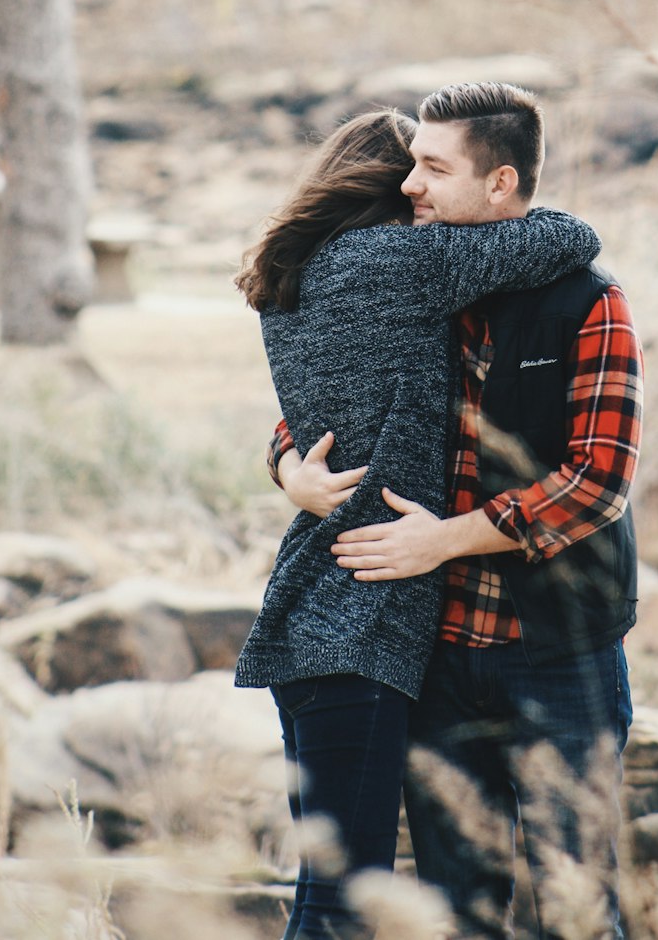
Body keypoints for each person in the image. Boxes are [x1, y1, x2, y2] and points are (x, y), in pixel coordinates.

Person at [233, 105, 602, 940]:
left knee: (335, 887)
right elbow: (567, 235)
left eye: (432, 170)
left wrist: (288, 466)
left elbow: (332, 413)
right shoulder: (394, 260)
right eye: (411, 170)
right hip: (357, 616)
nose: (416, 186)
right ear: (377, 184)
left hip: (326, 602)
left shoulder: (301, 276)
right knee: (343, 899)